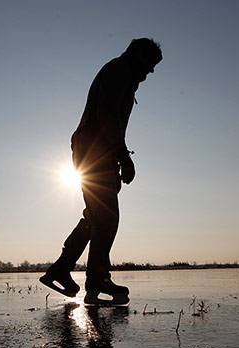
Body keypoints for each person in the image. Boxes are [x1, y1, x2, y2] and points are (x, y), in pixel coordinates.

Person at [41, 38, 163, 304]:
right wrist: (124, 157)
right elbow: (106, 115)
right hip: (93, 150)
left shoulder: (123, 75)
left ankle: (61, 269)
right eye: (150, 64)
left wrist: (116, 158)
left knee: (97, 216)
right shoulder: (119, 71)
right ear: (136, 55)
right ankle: (96, 280)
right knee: (107, 218)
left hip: (95, 151)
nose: (150, 71)